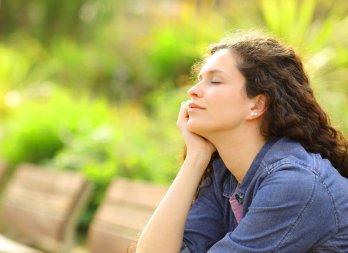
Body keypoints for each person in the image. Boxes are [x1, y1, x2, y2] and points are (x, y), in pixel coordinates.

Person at [135, 31, 348, 253]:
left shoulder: (295, 183)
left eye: (215, 81)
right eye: (199, 81)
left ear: (256, 105)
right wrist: (195, 158)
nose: (193, 91)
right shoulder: (225, 176)